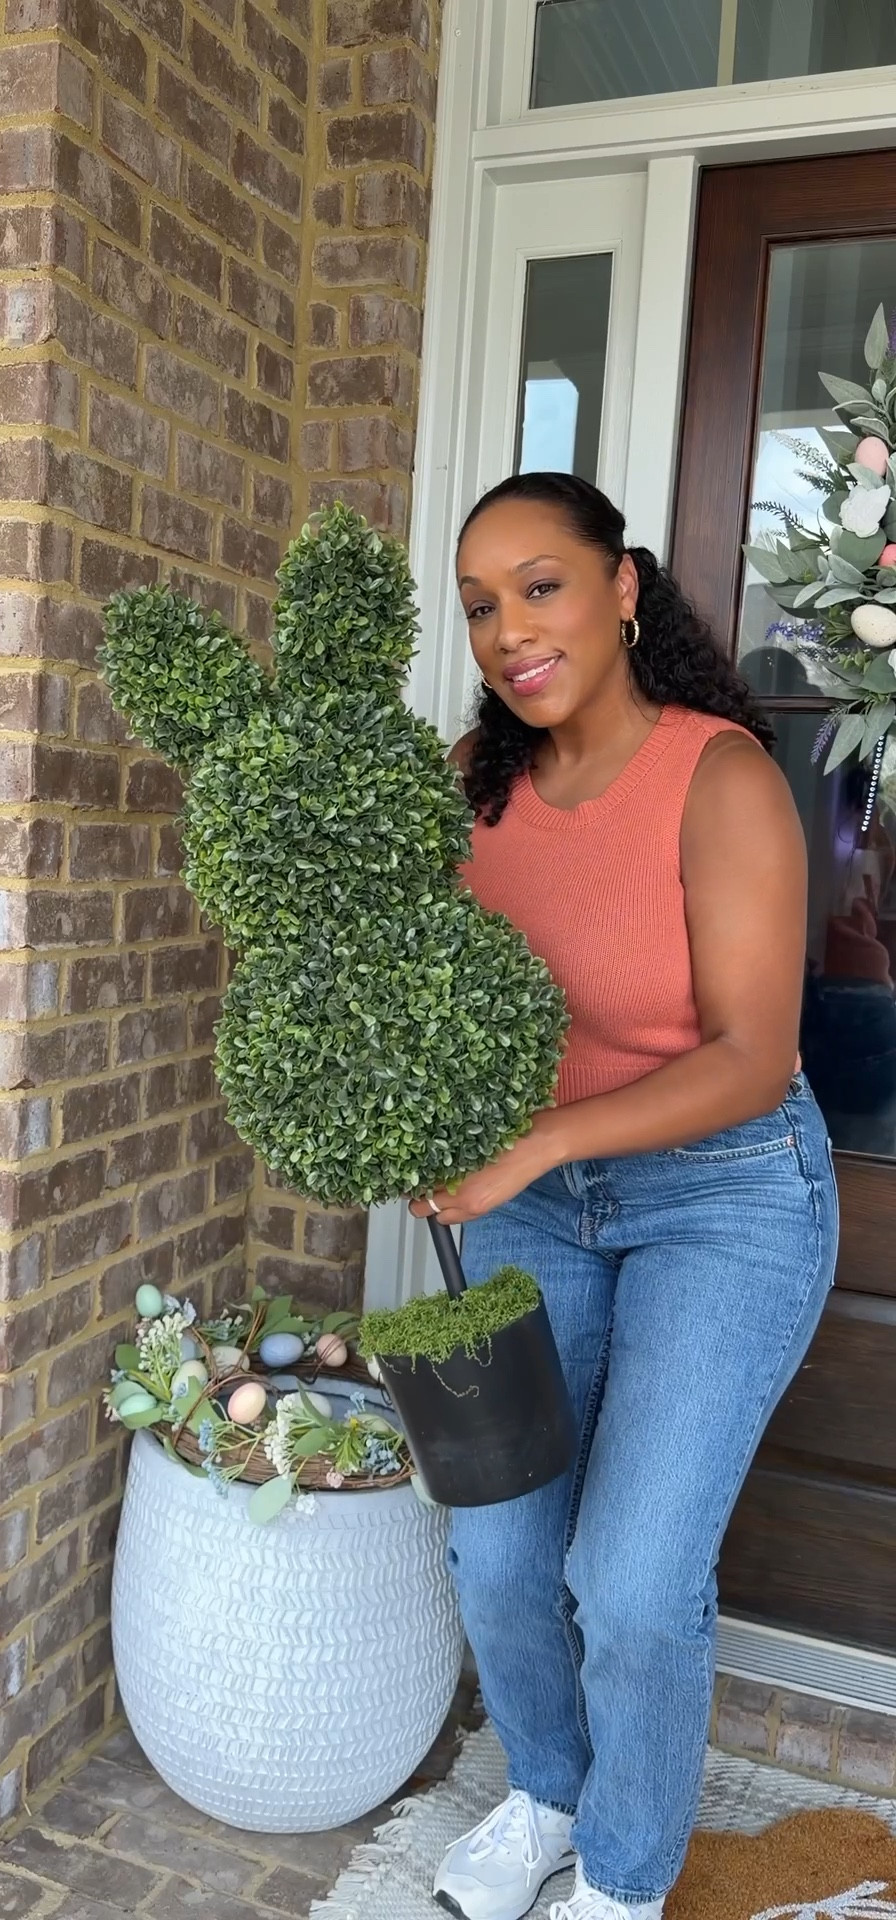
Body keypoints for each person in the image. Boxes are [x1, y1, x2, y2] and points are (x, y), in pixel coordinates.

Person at [409, 473, 839, 1920]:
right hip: (541, 1205)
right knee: (503, 1551)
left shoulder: (719, 777)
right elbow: (439, 1003)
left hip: (722, 1195)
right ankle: (546, 1788)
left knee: (637, 1579)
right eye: (479, 605)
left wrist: (531, 1146)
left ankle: (625, 1872)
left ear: (625, 587)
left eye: (540, 585)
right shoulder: (480, 786)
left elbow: (751, 1058)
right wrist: (424, 1120)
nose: (509, 629)